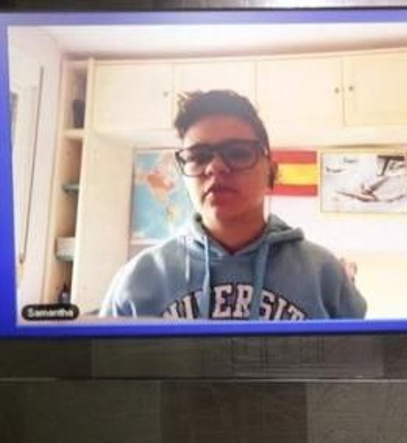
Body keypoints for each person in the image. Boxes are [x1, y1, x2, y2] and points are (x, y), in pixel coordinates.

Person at [101, 89, 366, 321]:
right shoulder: (138, 280)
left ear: (271, 173)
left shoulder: (324, 275)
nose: (215, 167)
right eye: (198, 156)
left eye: (238, 153)